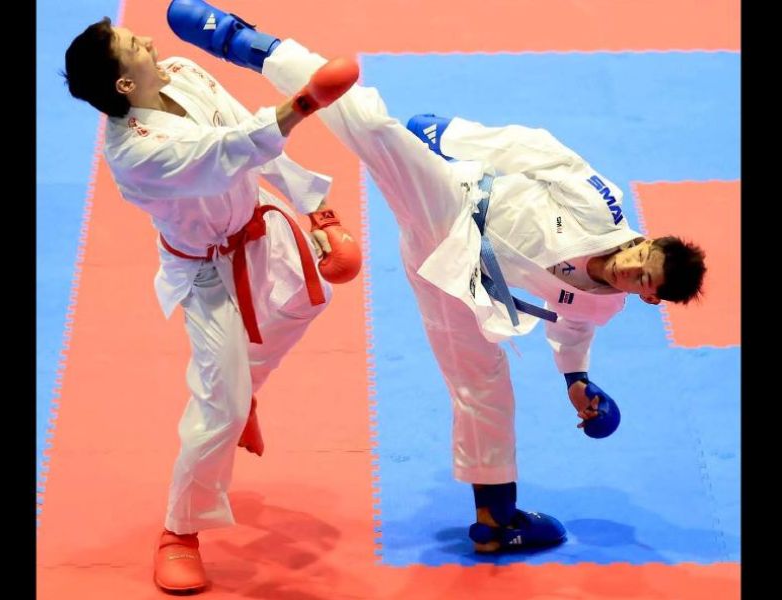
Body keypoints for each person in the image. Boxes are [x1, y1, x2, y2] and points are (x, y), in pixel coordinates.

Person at [167, 0, 706, 559]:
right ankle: (249, 44)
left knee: (485, 383)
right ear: (646, 239)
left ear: (647, 295)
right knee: (375, 128)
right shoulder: (603, 203)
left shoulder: (603, 308)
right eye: (642, 256)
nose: (630, 268)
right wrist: (455, 137)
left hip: (462, 283)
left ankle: (496, 517)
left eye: (641, 279)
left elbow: (572, 332)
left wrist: (578, 381)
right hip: (455, 205)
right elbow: (539, 149)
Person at [63, 12, 363, 594]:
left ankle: (242, 387)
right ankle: (179, 533)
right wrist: (304, 103)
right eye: (133, 44)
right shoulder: (134, 153)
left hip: (257, 222)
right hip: (205, 272)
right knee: (218, 412)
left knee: (313, 297)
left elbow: (251, 136)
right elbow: (230, 148)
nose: (148, 40)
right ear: (125, 84)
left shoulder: (181, 71)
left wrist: (316, 210)